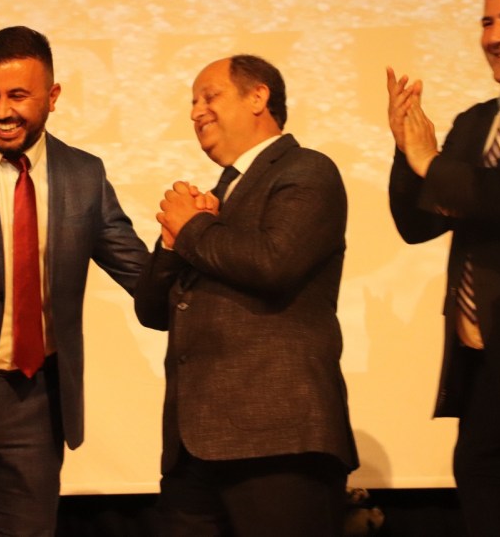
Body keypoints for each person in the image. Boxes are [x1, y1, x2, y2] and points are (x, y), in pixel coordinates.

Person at [0, 25, 149, 536]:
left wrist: (187, 243)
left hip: (37, 401)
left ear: (53, 96)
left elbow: (143, 276)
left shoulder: (84, 174)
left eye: (17, 96)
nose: (2, 111)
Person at [134, 55, 357, 536]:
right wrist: (172, 243)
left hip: (278, 440)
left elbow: (274, 262)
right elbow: (151, 309)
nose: (196, 111)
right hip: (193, 450)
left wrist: (193, 228)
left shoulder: (306, 170)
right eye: (192, 102)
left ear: (258, 97)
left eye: (209, 96)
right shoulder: (215, 198)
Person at [386, 0, 500, 535]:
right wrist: (406, 148)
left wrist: (429, 161)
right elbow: (418, 224)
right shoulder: (474, 121)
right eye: (487, 22)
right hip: (480, 373)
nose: (494, 36)